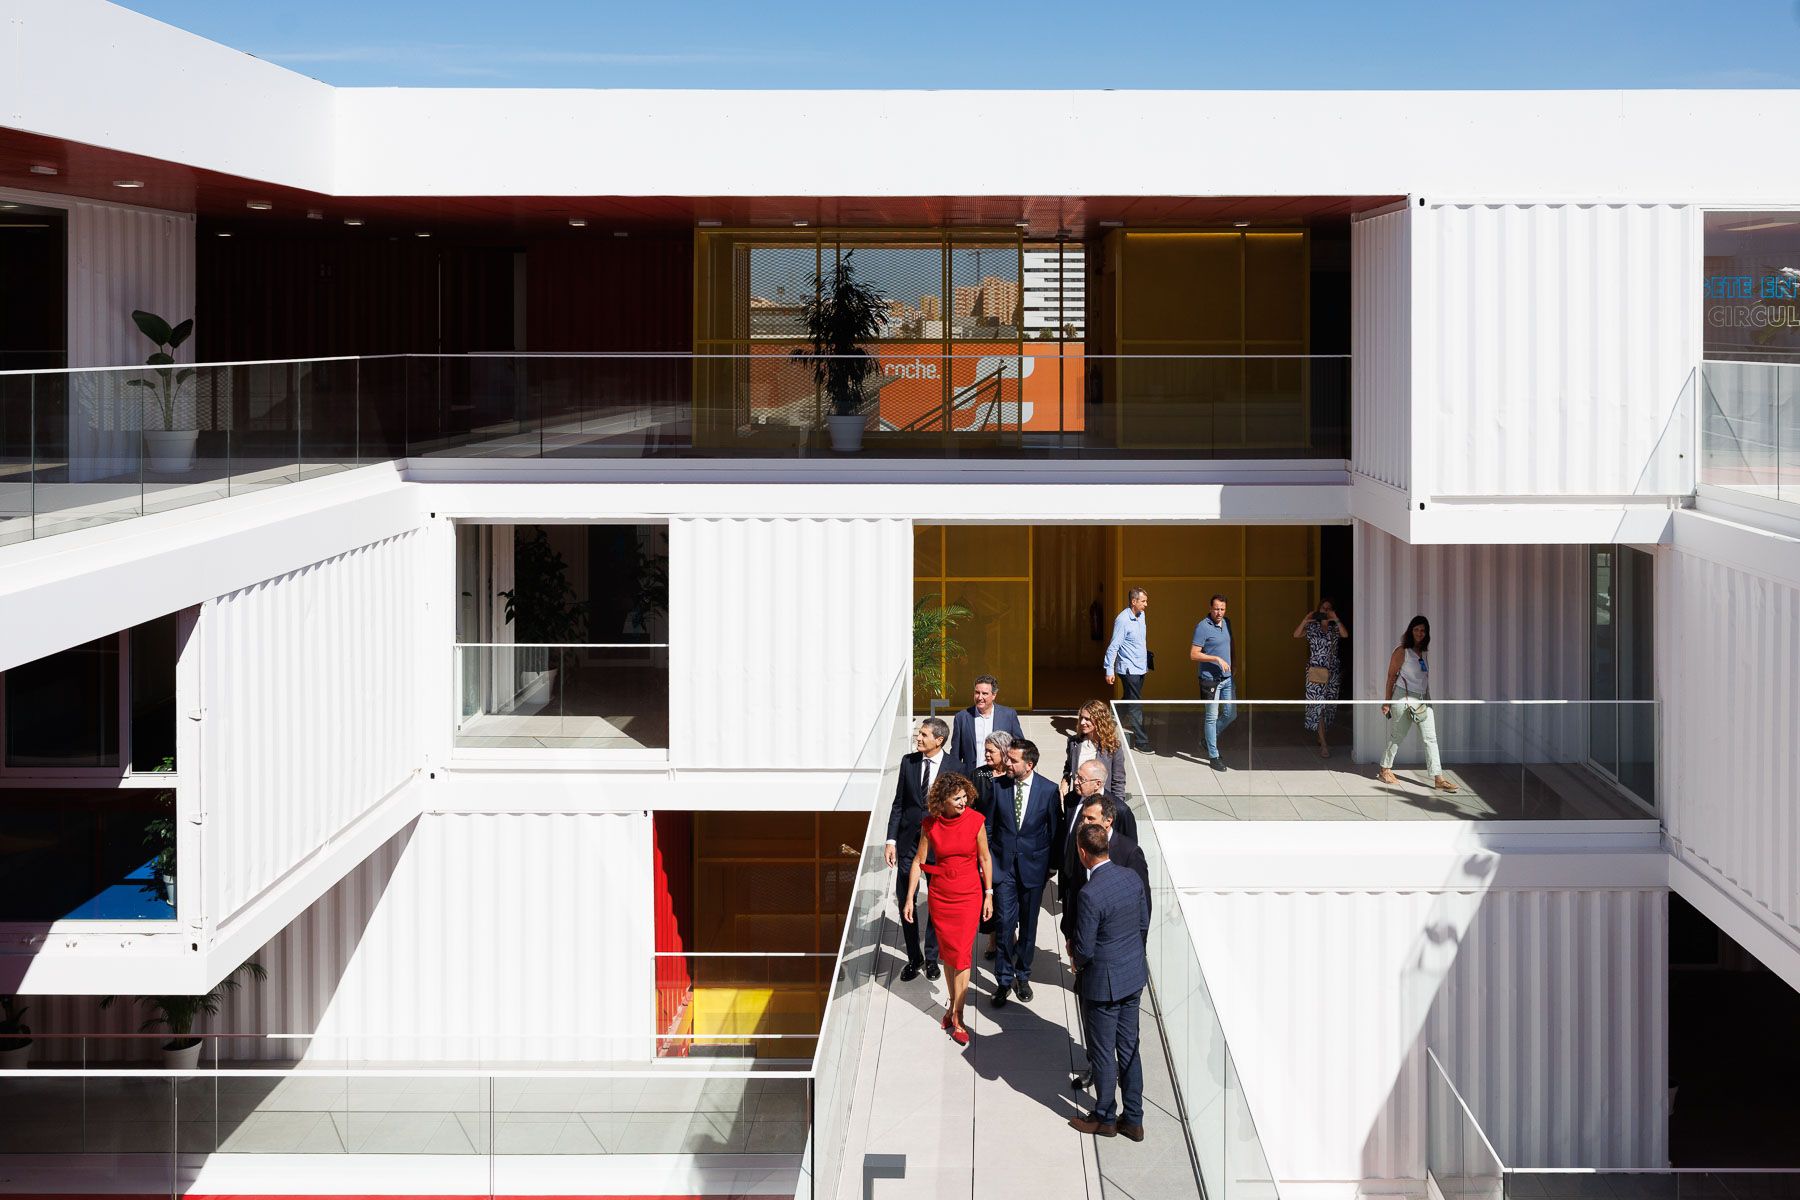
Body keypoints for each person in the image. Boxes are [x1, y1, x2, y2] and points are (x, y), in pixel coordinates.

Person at [1060, 790, 1150, 1093]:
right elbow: (1071, 887)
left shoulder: (1129, 853)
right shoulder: (1080, 841)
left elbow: (1143, 914)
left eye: (1090, 818)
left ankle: (1106, 1109)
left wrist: (1128, 955)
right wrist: (1070, 934)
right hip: (1089, 954)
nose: (1083, 822)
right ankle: (1099, 1074)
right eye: (1083, 818)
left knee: (1119, 1043)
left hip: (1109, 967)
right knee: (1097, 1034)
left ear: (1108, 821)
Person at [902, 772, 995, 1047]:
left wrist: (989, 894)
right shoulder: (930, 824)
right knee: (948, 956)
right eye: (957, 798)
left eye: (965, 796)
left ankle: (958, 1016)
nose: (963, 802)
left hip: (968, 895)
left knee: (962, 955)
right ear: (942, 801)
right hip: (941, 896)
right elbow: (918, 861)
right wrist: (909, 898)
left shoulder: (976, 821)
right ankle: (952, 1004)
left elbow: (985, 858)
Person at [986, 738, 1061, 1008]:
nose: (1007, 762)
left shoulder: (1048, 790)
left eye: (1013, 760)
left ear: (1029, 765)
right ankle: (1003, 980)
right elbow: (989, 827)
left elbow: (1055, 832)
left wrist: (1051, 867)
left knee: (1028, 927)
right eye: (1007, 758)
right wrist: (989, 862)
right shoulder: (997, 787)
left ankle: (1023, 975)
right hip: (1004, 869)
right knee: (1005, 925)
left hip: (1034, 870)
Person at [886, 717, 949, 982]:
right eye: (918, 733)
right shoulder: (908, 762)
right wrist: (891, 840)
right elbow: (899, 803)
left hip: (938, 845)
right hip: (908, 842)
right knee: (905, 898)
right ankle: (915, 957)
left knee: (936, 903)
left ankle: (932, 957)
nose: (918, 738)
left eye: (923, 734)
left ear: (939, 740)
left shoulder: (956, 767)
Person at [1377, 615, 1459, 794]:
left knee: (1430, 738)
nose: (1420, 633)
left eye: (1423, 630)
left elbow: (1423, 679)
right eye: (1416, 629)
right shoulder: (1402, 651)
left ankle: (1438, 778)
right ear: (1410, 631)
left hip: (1422, 699)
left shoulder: (1423, 652)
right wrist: (1387, 702)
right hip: (1403, 698)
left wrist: (1428, 700)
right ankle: (1385, 769)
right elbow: (1391, 676)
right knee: (1398, 735)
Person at [972, 729, 1013, 962]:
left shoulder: (1013, 775)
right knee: (989, 889)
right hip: (984, 841)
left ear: (1004, 751)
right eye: (985, 750)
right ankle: (992, 937)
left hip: (1007, 842)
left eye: (991, 751)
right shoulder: (979, 774)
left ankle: (1010, 932)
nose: (986, 754)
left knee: (1008, 893)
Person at [1293, 600, 1348, 758]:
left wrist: (1335, 619)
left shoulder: (1334, 628)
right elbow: (1296, 634)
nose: (1326, 610)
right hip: (1316, 671)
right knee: (1319, 707)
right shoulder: (1312, 627)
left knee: (1329, 706)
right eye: (1323, 608)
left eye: (1329, 608)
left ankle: (1321, 734)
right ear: (1318, 610)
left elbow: (1345, 634)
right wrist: (1306, 619)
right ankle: (1324, 743)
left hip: (1332, 672)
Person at [1103, 587, 1153, 753]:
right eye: (1143, 601)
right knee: (1135, 704)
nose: (1146, 604)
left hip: (1140, 667)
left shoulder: (1141, 615)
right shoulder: (1123, 620)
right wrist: (1109, 670)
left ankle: (1107, 721)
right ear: (1133, 601)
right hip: (1128, 669)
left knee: (1129, 698)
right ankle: (1141, 740)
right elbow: (1114, 646)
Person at [1190, 594, 1236, 772]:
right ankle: (1213, 755)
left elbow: (1231, 644)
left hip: (1227, 678)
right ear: (1210, 609)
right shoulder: (1202, 627)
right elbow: (1194, 654)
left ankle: (1208, 740)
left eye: (1222, 609)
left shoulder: (1227, 622)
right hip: (1210, 680)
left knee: (1231, 713)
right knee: (1211, 717)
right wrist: (1216, 658)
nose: (1219, 612)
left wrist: (1234, 664)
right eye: (1216, 609)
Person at [951, 675, 1024, 780]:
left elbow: (1019, 746)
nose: (980, 697)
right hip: (972, 778)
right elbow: (955, 754)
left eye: (984, 693)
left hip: (1001, 777)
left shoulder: (1008, 715)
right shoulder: (962, 717)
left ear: (994, 695)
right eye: (977, 692)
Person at [1062, 699, 1128, 807]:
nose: (1082, 722)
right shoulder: (1074, 743)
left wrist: (1116, 808)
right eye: (1081, 718)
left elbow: (1118, 782)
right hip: (1078, 802)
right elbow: (1068, 767)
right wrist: (1065, 780)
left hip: (1101, 805)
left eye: (1087, 719)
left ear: (1099, 721)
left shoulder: (1113, 747)